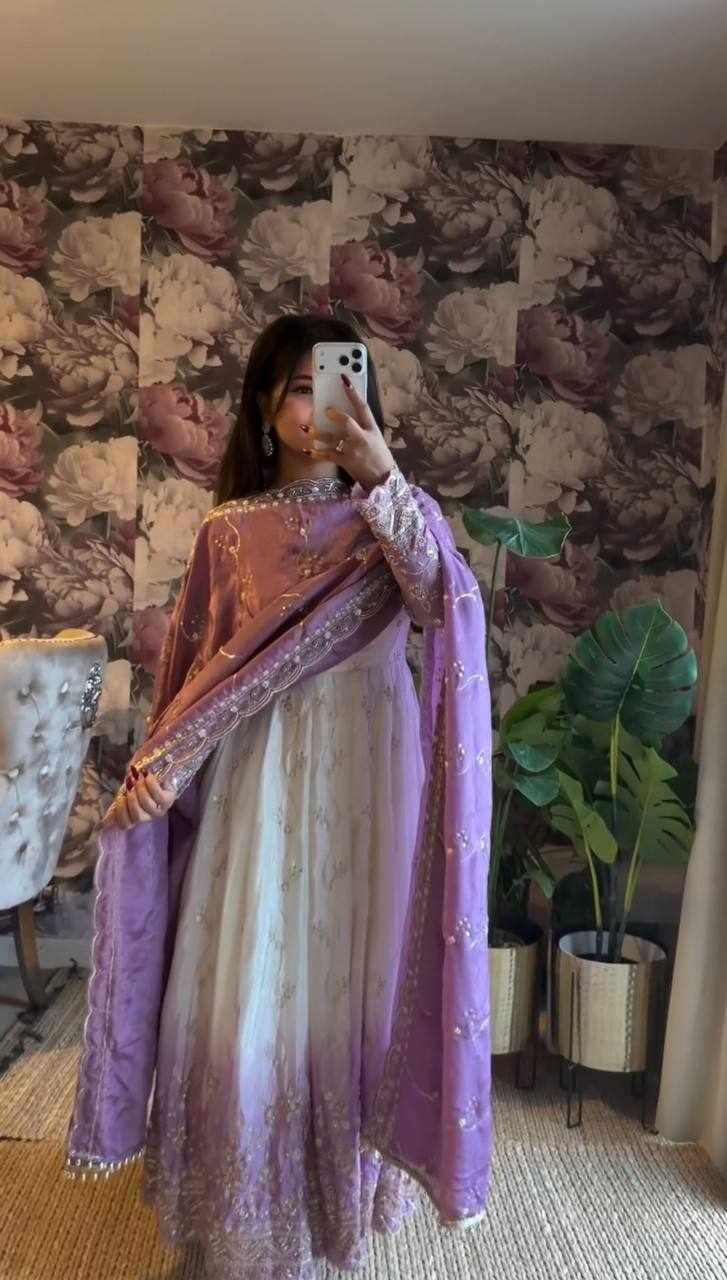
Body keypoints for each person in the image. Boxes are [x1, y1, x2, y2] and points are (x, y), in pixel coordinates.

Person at [64, 314, 493, 1280]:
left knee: (350, 974)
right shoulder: (229, 532)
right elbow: (194, 680)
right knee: (250, 969)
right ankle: (240, 1216)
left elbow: (439, 602)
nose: (320, 403)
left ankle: (325, 1208)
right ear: (264, 406)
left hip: (367, 777)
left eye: (338, 383)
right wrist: (164, 768)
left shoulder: (397, 514)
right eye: (300, 386)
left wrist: (381, 479)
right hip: (260, 783)